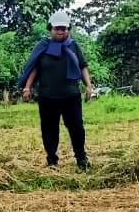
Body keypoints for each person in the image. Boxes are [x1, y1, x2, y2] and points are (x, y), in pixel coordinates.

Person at [20, 11, 94, 170]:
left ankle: (81, 159)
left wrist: (89, 86)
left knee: (76, 128)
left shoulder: (73, 46)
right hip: (47, 97)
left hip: (71, 96)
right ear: (50, 29)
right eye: (57, 28)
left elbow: (82, 66)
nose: (61, 31)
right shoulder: (43, 47)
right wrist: (27, 87)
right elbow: (34, 68)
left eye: (64, 28)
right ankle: (52, 160)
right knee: (49, 130)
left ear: (68, 30)